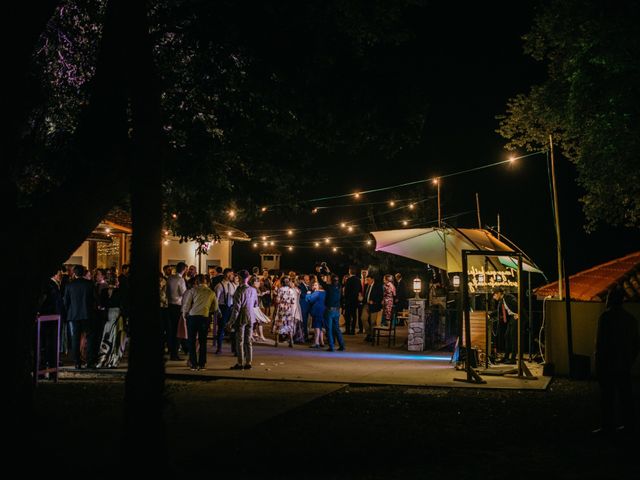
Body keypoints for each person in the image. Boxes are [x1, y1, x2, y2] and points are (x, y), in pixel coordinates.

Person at [593, 287, 639, 435]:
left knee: (607, 397)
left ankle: (607, 427)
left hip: (608, 364)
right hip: (623, 364)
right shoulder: (630, 319)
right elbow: (636, 344)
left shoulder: (605, 318)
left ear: (610, 299)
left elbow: (600, 344)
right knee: (626, 397)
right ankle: (628, 426)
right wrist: (629, 361)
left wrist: (598, 364)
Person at [182, 274, 218, 370]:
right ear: (206, 281)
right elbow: (215, 308)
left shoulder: (193, 290)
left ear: (197, 281)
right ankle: (202, 364)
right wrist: (207, 310)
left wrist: (185, 314)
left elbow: (187, 304)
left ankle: (193, 363)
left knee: (192, 341)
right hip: (204, 317)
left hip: (193, 317)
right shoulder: (211, 292)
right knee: (203, 341)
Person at [63, 265, 97, 369]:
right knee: (90, 337)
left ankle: (77, 362)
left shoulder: (69, 285)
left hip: (74, 315)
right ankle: (90, 361)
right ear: (83, 273)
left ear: (74, 273)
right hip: (88, 314)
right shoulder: (90, 284)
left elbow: (66, 302)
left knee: (75, 338)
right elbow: (95, 299)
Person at [229, 270, 259, 370]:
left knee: (240, 341)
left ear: (240, 278)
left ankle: (240, 362)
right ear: (248, 277)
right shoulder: (253, 290)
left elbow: (236, 308)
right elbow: (256, 304)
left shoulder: (239, 290)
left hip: (242, 317)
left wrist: (231, 322)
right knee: (248, 340)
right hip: (251, 316)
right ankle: (249, 362)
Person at [492, 287, 519, 364]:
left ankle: (513, 359)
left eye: (494, 294)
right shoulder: (501, 301)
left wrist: (519, 314)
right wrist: (489, 315)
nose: (494, 297)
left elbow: (518, 304)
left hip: (516, 317)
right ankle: (506, 357)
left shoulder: (508, 297)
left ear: (499, 293)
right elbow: (498, 311)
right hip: (512, 318)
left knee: (513, 338)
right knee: (507, 336)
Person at [167, 262, 188, 360]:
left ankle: (172, 350)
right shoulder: (181, 280)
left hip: (170, 305)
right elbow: (183, 293)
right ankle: (174, 354)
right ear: (184, 270)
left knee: (171, 330)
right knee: (178, 330)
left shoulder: (170, 278)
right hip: (178, 306)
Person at [214, 268, 237, 354]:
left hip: (231, 308)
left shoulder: (232, 285)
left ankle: (234, 349)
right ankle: (219, 348)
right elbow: (216, 299)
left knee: (233, 328)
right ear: (227, 274)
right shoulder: (219, 286)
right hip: (223, 308)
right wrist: (218, 311)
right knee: (221, 328)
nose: (233, 276)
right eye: (231, 274)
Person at [323, 274, 345, 352]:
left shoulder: (329, 287)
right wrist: (329, 273)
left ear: (331, 281)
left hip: (330, 310)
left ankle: (331, 346)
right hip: (337, 310)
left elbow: (321, 282)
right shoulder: (339, 287)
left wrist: (319, 273)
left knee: (329, 329)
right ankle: (342, 345)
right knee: (337, 328)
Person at [363, 273, 383, 342]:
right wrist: (362, 299)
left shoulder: (378, 286)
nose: (367, 281)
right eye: (366, 280)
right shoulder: (366, 286)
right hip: (366, 305)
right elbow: (365, 296)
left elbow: (380, 296)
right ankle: (369, 333)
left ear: (372, 279)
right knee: (363, 318)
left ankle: (371, 336)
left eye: (368, 280)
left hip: (374, 306)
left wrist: (374, 301)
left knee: (372, 322)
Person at [306, 280, 326, 348]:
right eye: (313, 285)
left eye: (315, 285)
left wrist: (308, 294)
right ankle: (322, 341)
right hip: (323, 311)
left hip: (317, 311)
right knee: (321, 327)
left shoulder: (317, 293)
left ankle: (316, 342)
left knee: (317, 327)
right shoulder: (325, 292)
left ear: (319, 286)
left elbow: (310, 300)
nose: (314, 286)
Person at [343, 266, 361, 335]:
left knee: (347, 315)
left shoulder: (349, 280)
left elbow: (346, 291)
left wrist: (345, 298)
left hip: (348, 300)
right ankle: (353, 330)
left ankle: (348, 330)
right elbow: (360, 290)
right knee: (354, 315)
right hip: (355, 300)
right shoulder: (358, 280)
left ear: (350, 271)